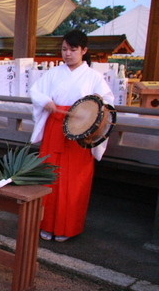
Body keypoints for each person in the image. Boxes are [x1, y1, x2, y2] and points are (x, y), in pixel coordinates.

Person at [29, 30, 114, 243]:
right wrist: (46, 102)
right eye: (64, 49)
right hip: (55, 127)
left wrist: (94, 104)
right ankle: (46, 224)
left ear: (84, 51)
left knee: (75, 181)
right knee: (50, 177)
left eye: (73, 50)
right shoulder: (54, 73)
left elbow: (106, 100)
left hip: (80, 132)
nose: (67, 54)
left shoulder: (94, 77)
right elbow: (35, 91)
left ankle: (68, 227)